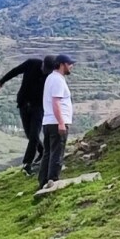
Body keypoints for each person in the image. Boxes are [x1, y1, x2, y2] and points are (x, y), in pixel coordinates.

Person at [0, 54, 56, 175]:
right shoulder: (32, 63)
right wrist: (1, 83)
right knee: (29, 134)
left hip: (38, 107)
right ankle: (42, 150)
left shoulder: (51, 76)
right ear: (42, 63)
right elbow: (15, 71)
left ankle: (27, 163)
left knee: (34, 135)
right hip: (23, 103)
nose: (44, 71)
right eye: (44, 68)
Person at [39, 54, 76, 188]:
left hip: (48, 122)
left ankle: (43, 181)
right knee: (57, 152)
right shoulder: (58, 80)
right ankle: (53, 181)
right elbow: (56, 102)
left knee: (48, 153)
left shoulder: (50, 78)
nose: (72, 66)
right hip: (56, 122)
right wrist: (61, 122)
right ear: (62, 64)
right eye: (69, 63)